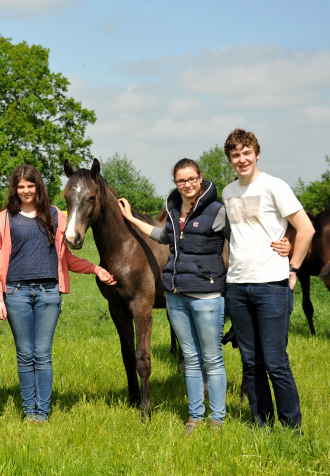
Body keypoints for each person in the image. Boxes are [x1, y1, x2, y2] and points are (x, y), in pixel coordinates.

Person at [119, 158, 291, 434]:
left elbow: (244, 237)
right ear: (175, 183)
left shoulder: (218, 210)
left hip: (208, 295)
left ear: (200, 178)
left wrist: (283, 241)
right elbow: (162, 237)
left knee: (212, 358)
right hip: (176, 295)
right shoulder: (174, 210)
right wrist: (130, 219)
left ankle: (218, 418)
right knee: (190, 357)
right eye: (180, 181)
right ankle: (195, 415)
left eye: (191, 179)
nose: (186, 185)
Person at [0, 164, 116, 423]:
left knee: (43, 354)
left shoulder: (56, 216)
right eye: (21, 186)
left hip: (49, 293)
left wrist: (96, 269)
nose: (26, 190)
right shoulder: (3, 218)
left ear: (38, 187)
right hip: (16, 293)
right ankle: (30, 411)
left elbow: (66, 258)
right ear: (15, 189)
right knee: (25, 354)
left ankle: (42, 412)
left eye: (30, 185)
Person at [222, 128, 315, 429]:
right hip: (236, 286)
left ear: (257, 154)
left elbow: (306, 228)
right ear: (230, 160)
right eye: (236, 155)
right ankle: (262, 424)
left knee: (276, 363)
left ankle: (292, 429)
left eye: (246, 152)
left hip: (271, 286)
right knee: (250, 363)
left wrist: (294, 268)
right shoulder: (228, 192)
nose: (242, 159)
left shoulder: (275, 186)